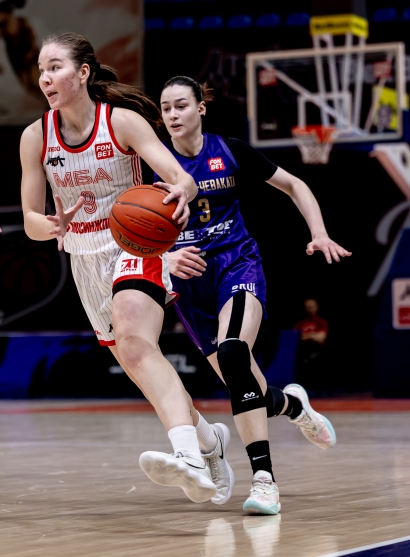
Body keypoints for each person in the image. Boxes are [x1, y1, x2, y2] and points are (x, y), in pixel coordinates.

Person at [20, 32, 234, 506]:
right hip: (83, 257)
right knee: (139, 366)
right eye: (40, 70)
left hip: (134, 244)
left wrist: (180, 193)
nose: (45, 78)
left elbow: (181, 179)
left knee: (137, 343)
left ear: (83, 73)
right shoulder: (35, 136)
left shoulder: (122, 122)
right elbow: (31, 221)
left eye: (55, 67)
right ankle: (208, 440)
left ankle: (188, 458)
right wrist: (51, 224)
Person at [158, 76, 351, 514]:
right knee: (245, 383)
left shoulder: (228, 151)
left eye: (181, 105)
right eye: (166, 108)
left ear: (200, 108)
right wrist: (166, 257)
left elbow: (295, 185)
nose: (172, 114)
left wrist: (319, 232)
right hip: (188, 283)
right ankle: (293, 405)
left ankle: (264, 481)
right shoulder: (154, 162)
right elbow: (131, 232)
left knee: (233, 352)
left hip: (236, 265)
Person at [0, 0, 40, 97]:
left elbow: (34, 38)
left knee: (37, 82)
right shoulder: (0, 28)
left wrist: (31, 52)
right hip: (16, 59)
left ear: (7, 13)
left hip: (31, 55)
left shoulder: (23, 22)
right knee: (29, 87)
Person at [294, 297, 329, 391]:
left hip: (317, 352)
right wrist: (313, 335)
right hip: (302, 353)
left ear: (317, 307)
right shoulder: (300, 323)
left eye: (312, 307)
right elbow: (295, 339)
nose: (310, 309)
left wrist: (306, 336)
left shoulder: (321, 322)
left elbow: (321, 339)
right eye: (308, 307)